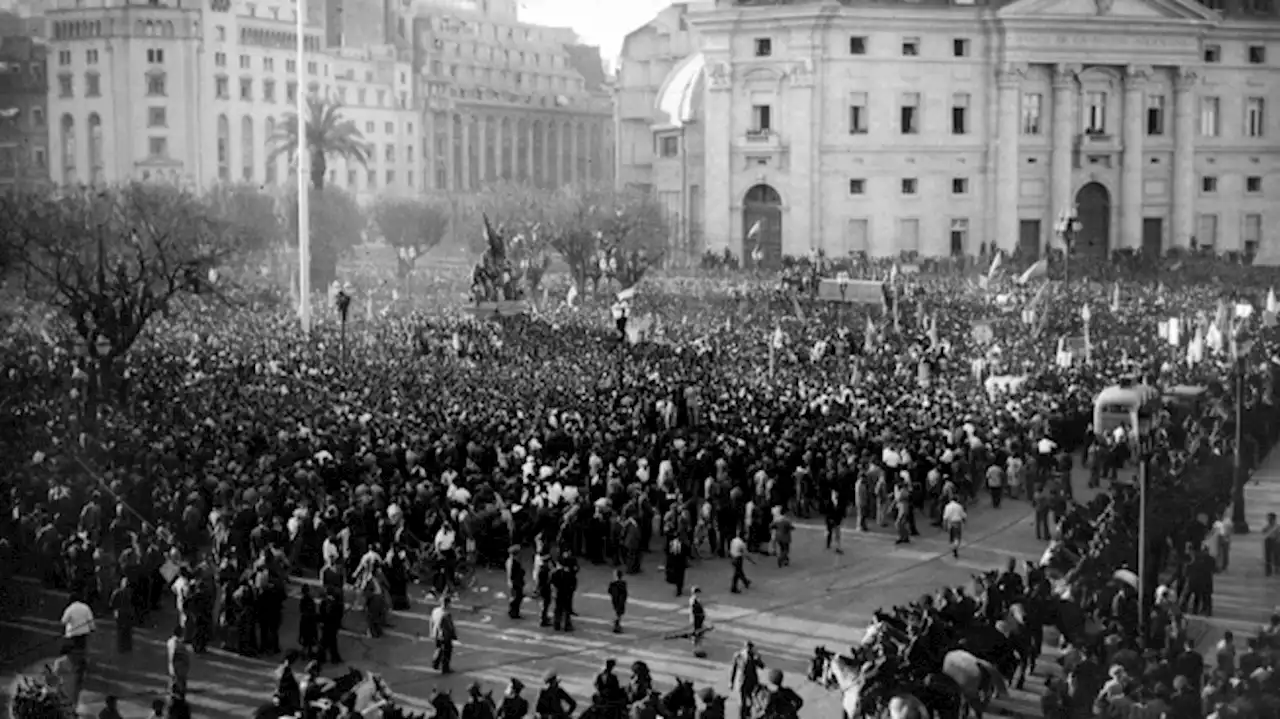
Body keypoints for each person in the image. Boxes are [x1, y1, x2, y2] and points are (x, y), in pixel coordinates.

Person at [729, 640, 763, 719]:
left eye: (750, 648)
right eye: (747, 647)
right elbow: (733, 669)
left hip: (752, 681)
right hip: (742, 681)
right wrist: (731, 682)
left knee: (750, 701)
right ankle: (741, 716)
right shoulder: (738, 656)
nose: (748, 649)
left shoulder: (754, 656)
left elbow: (762, 666)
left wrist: (758, 659)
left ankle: (748, 715)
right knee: (742, 702)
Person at [430, 595, 458, 673]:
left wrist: (432, 632)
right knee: (447, 652)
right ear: (448, 604)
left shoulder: (435, 611)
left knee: (438, 648)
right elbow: (450, 627)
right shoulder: (446, 614)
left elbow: (431, 621)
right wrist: (454, 635)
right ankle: (445, 668)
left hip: (436, 633)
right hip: (445, 636)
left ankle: (435, 663)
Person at [166, 625, 190, 700]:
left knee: (173, 683)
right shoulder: (178, 644)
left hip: (174, 667)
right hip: (179, 668)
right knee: (180, 685)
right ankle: (178, 700)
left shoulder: (170, 641)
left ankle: (172, 698)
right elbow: (174, 655)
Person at [505, 545, 525, 619]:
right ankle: (514, 611)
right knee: (516, 597)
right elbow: (512, 573)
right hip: (515, 582)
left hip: (513, 581)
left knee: (514, 596)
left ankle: (513, 610)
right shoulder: (513, 562)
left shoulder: (510, 560)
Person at [689, 586, 708, 658]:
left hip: (698, 620)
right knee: (698, 635)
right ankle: (697, 651)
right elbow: (695, 612)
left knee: (698, 635)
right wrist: (701, 616)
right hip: (697, 621)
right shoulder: (694, 601)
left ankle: (697, 650)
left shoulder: (695, 600)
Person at [607, 569, 628, 633]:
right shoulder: (621, 583)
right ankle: (617, 625)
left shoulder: (615, 584)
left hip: (618, 600)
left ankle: (617, 626)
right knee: (618, 613)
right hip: (618, 600)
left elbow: (610, 591)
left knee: (617, 613)